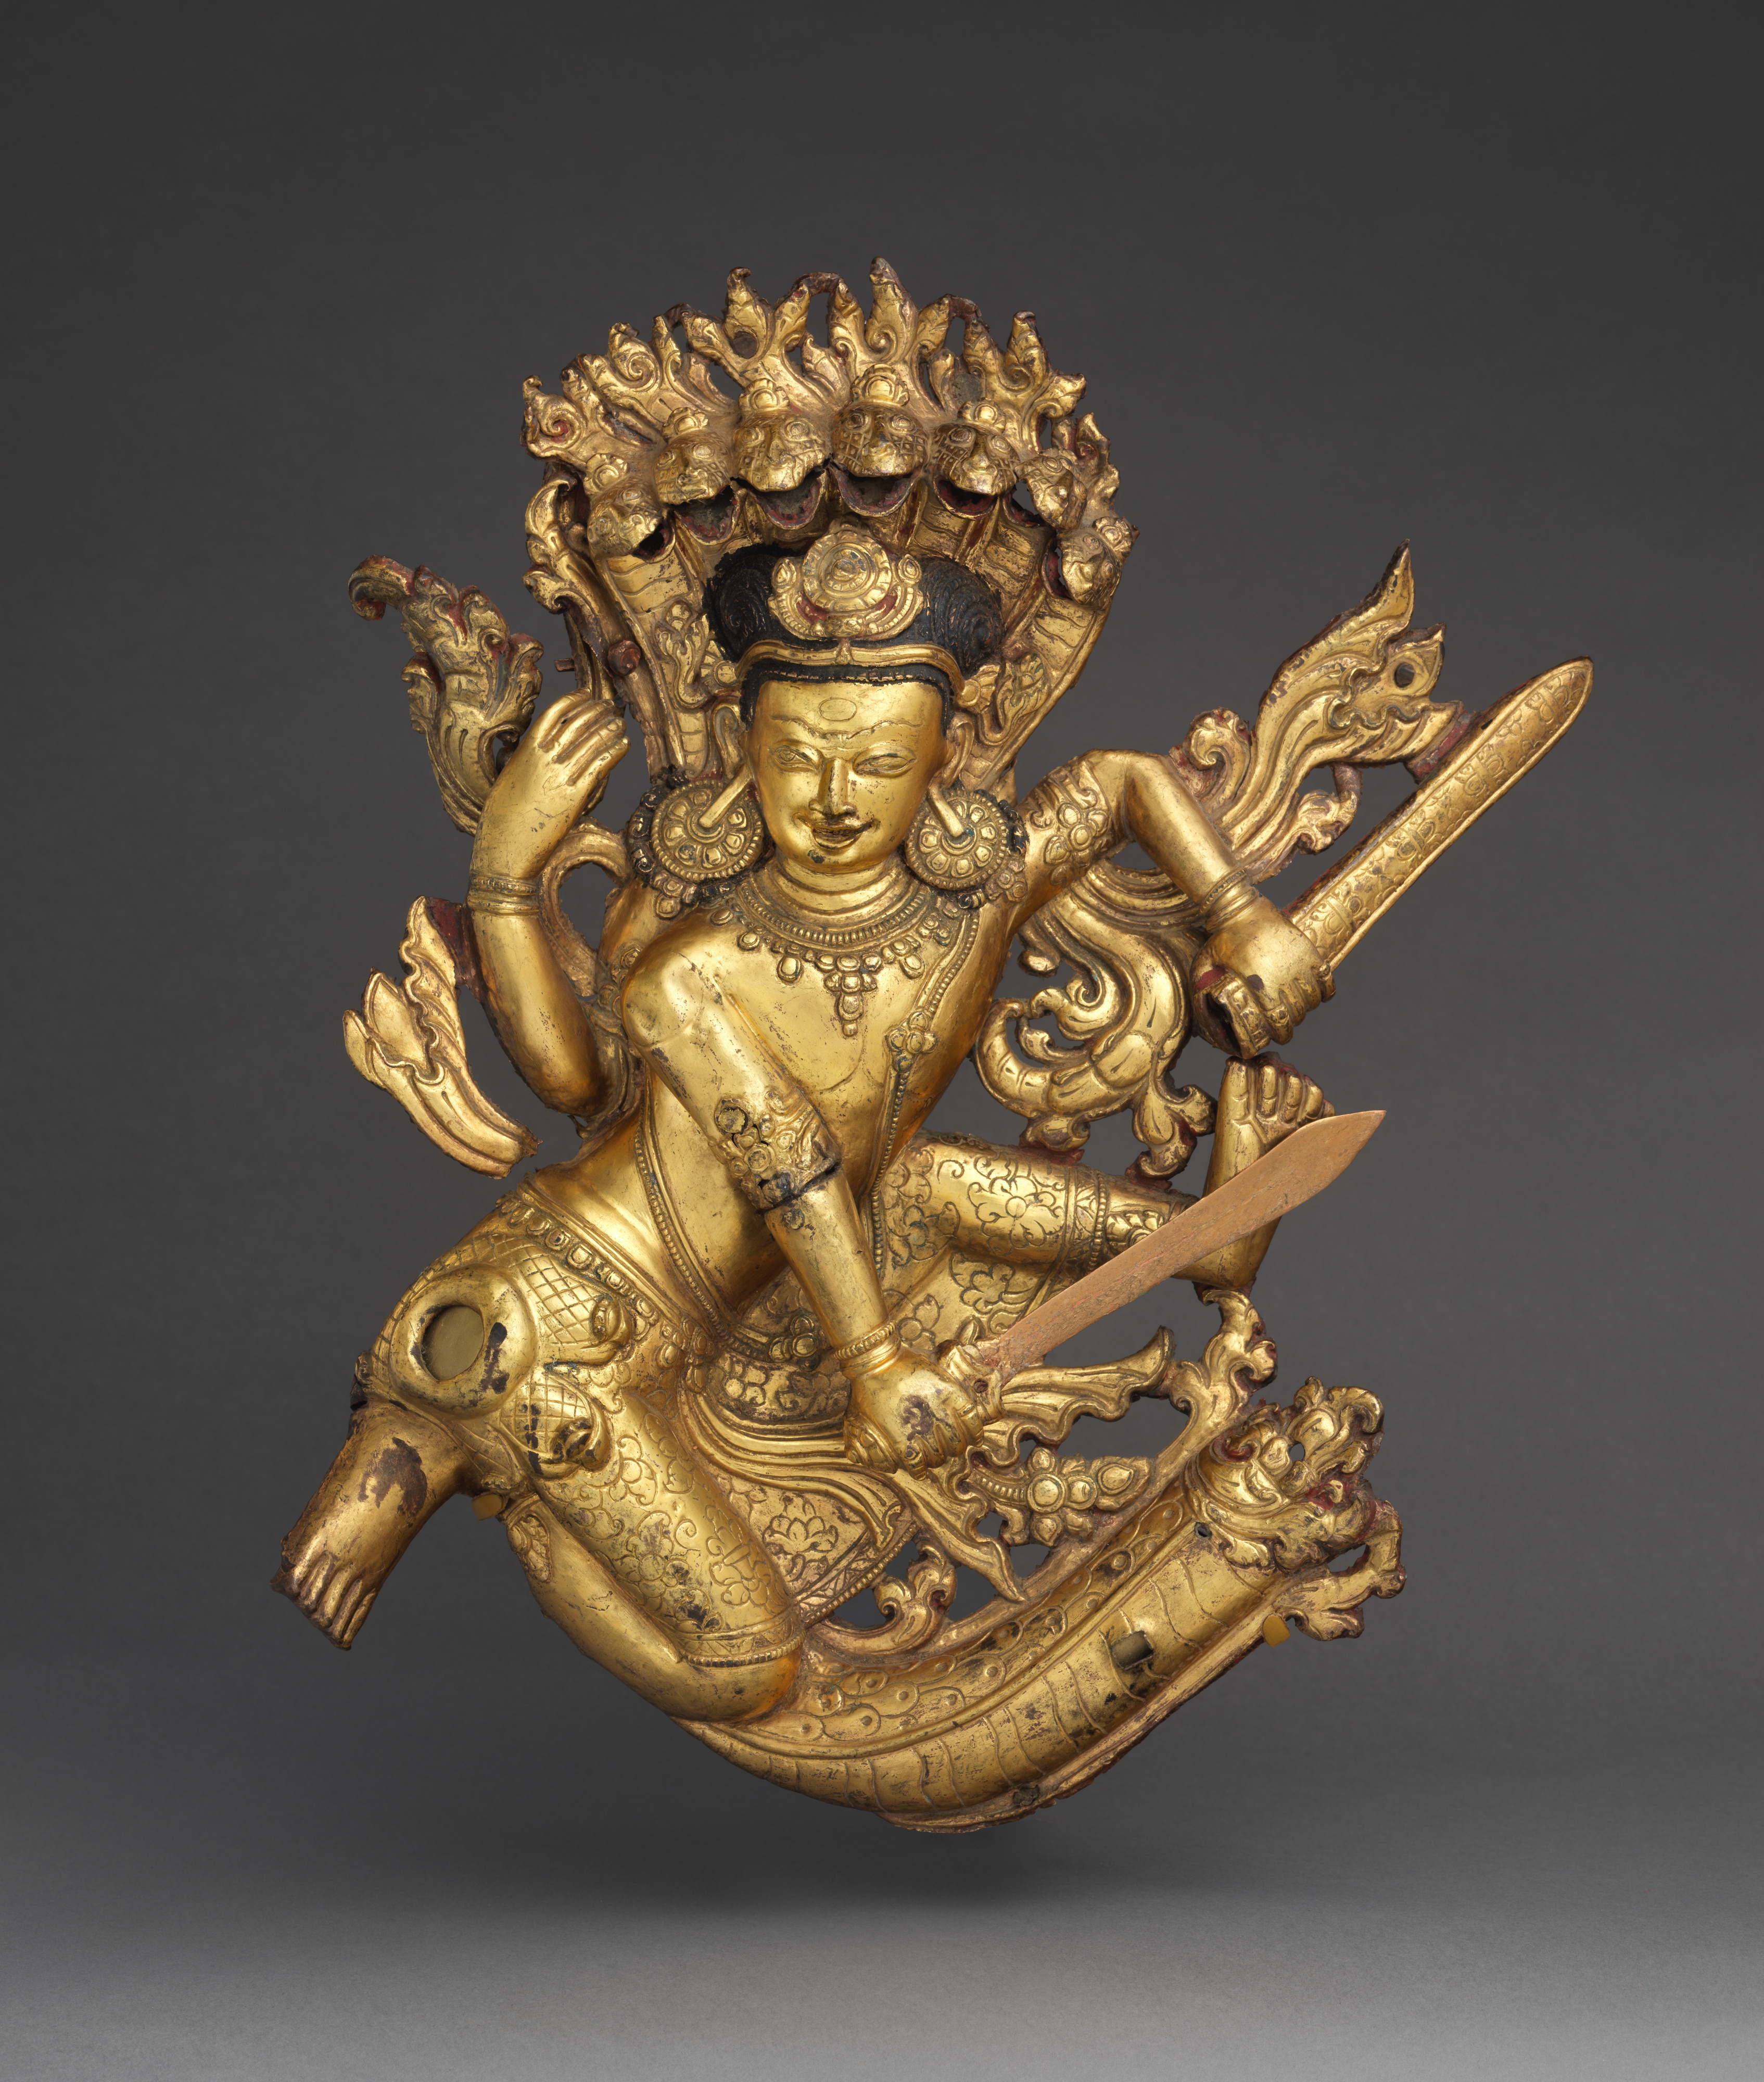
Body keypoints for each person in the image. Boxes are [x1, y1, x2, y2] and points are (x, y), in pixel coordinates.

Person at [275, 528, 1330, 1721]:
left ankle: (1212, 1239)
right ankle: (476, 1454)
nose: (834, 801)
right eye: (796, 758)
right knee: (748, 1667)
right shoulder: (689, 967)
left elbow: (1125, 780)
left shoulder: (978, 891)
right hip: (560, 1319)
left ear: (944, 753)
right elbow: (770, 1159)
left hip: (723, 1302)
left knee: (940, 1187)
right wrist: (505, 878)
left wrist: (1242, 914)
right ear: (745, 746)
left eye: (878, 761)